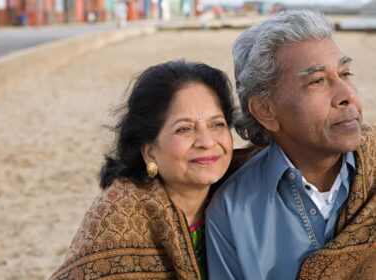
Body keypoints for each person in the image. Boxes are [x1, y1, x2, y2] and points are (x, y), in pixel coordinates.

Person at [206, 10, 375, 280]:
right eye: (317, 81)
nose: (348, 95)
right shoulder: (232, 212)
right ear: (265, 111)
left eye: (345, 73)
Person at [50, 60, 235, 279]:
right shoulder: (118, 219)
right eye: (184, 129)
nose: (206, 141)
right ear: (149, 151)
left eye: (217, 124)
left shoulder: (239, 199)